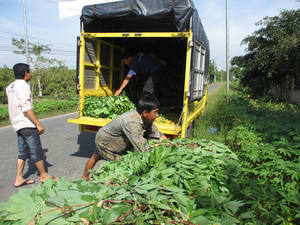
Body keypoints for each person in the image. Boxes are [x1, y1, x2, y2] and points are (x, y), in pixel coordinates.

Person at [82, 94, 167, 181]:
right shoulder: (132, 122)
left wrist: (170, 144)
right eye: (155, 112)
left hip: (109, 136)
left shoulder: (144, 117)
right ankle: (104, 180)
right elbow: (141, 148)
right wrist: (156, 152)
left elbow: (157, 134)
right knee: (121, 163)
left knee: (96, 156)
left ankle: (85, 176)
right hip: (105, 140)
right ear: (145, 113)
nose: (157, 115)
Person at [6, 63, 56, 187]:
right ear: (26, 73)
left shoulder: (10, 87)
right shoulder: (23, 86)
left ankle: (19, 178)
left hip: (17, 125)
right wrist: (38, 124)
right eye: (30, 71)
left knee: (23, 153)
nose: (31, 74)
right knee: (36, 151)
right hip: (26, 125)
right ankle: (44, 175)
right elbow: (26, 107)